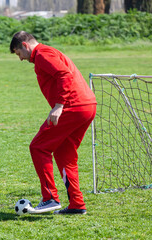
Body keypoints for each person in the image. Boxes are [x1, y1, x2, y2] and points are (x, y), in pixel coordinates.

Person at [10, 31, 97, 215]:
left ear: (25, 46)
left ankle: (50, 198)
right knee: (64, 154)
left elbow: (64, 74)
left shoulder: (42, 54)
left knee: (38, 147)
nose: (20, 59)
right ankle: (76, 204)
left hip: (72, 107)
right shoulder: (47, 53)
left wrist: (59, 106)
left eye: (19, 53)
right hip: (86, 106)